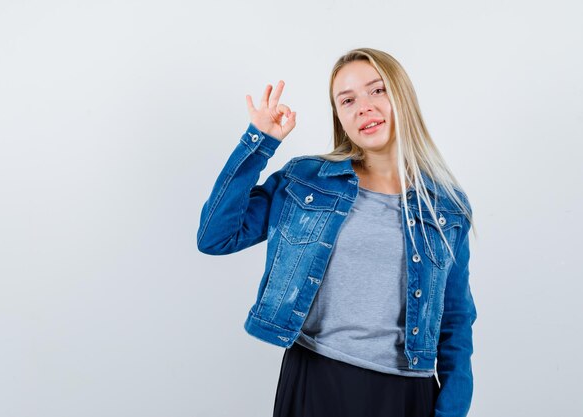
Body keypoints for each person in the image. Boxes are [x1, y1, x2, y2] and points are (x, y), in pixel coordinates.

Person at [197, 47, 477, 417]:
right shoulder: (306, 180)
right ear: (340, 118)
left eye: (378, 91)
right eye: (347, 100)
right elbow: (216, 237)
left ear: (402, 97)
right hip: (317, 375)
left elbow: (455, 320)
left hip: (407, 393)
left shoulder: (445, 206)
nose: (364, 106)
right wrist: (259, 142)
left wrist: (452, 411)